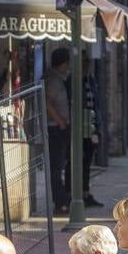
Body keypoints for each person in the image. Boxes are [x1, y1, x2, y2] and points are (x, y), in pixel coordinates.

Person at [44, 46, 72, 215]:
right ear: (62, 63)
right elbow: (47, 103)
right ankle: (60, 201)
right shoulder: (53, 80)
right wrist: (60, 121)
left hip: (58, 128)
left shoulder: (59, 78)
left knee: (59, 165)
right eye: (67, 63)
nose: (68, 66)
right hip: (55, 129)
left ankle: (62, 198)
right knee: (56, 167)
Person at [74, 57, 103, 209]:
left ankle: (85, 192)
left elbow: (96, 103)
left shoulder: (91, 80)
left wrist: (98, 126)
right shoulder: (73, 81)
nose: (86, 67)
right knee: (76, 162)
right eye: (84, 65)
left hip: (91, 127)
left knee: (87, 162)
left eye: (87, 64)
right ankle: (76, 195)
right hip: (79, 128)